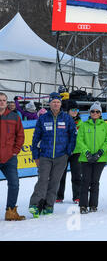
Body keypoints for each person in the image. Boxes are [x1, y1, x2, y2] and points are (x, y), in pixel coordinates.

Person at [28, 92, 77, 217]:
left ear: (61, 104)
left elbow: (73, 136)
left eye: (58, 102)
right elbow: (35, 138)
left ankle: (49, 205)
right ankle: (35, 204)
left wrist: (68, 152)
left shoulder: (67, 118)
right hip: (45, 155)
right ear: (50, 103)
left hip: (61, 156)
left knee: (55, 181)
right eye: (54, 101)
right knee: (43, 180)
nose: (56, 104)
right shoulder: (43, 118)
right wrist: (36, 155)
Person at [76, 102, 107, 214]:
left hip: (100, 159)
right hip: (86, 158)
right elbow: (80, 140)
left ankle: (93, 205)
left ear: (100, 113)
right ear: (90, 113)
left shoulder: (105, 126)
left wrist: (100, 153)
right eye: (93, 111)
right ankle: (83, 205)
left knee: (95, 181)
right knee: (85, 181)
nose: (95, 113)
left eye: (97, 111)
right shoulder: (84, 125)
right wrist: (87, 153)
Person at [0, 92, 26, 221]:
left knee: (14, 184)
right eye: (0, 100)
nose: (2, 102)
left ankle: (10, 211)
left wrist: (15, 151)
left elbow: (20, 135)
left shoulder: (14, 117)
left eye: (4, 100)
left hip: (9, 157)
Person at [56, 99, 82, 204]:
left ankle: (77, 196)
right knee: (61, 175)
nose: (75, 111)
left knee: (77, 175)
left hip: (77, 152)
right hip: (64, 151)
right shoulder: (62, 121)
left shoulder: (81, 122)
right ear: (67, 111)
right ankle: (58, 196)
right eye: (72, 109)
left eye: (76, 109)